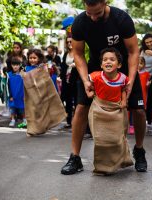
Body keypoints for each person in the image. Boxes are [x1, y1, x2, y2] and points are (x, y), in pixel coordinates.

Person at [61, 0, 147, 175]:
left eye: (97, 13)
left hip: (123, 68)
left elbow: (133, 51)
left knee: (138, 111)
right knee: (80, 107)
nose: (93, 17)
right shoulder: (80, 22)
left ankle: (139, 150)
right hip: (95, 69)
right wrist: (85, 79)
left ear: (105, 2)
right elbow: (77, 53)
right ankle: (75, 157)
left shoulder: (122, 19)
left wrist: (130, 81)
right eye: (89, 13)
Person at [88, 47, 133, 175]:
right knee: (101, 140)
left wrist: (124, 101)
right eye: (105, 59)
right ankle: (102, 167)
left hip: (116, 111)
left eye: (112, 59)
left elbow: (124, 89)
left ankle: (119, 161)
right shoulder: (95, 76)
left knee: (116, 139)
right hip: (99, 110)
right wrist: (90, 92)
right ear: (101, 64)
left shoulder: (123, 78)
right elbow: (89, 86)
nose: (108, 62)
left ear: (119, 64)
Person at [60, 37, 78, 128]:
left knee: (77, 101)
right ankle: (68, 121)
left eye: (71, 41)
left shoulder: (78, 53)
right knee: (68, 101)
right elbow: (63, 65)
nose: (69, 43)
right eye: (68, 42)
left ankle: (76, 121)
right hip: (66, 80)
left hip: (75, 80)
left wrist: (76, 65)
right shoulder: (66, 54)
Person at [7, 57, 25, 127]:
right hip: (13, 95)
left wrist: (24, 95)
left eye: (17, 65)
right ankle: (13, 120)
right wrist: (10, 95)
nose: (15, 66)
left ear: (20, 65)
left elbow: (25, 85)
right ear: (11, 65)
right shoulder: (9, 75)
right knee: (12, 109)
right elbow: (8, 86)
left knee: (22, 109)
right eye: (14, 65)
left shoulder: (22, 74)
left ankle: (24, 119)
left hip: (21, 95)